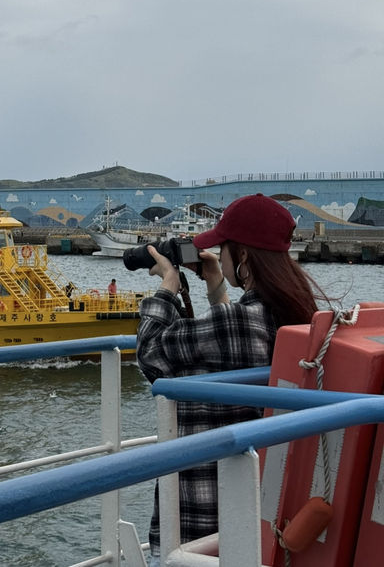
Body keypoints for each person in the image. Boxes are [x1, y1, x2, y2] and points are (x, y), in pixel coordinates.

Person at [136, 194, 326, 564]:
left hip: (203, 525)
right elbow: (235, 342)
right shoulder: (296, 315)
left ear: (242, 257)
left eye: (224, 248)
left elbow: (150, 355)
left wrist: (167, 287)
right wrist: (216, 288)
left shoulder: (237, 322)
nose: (218, 256)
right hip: (263, 513)